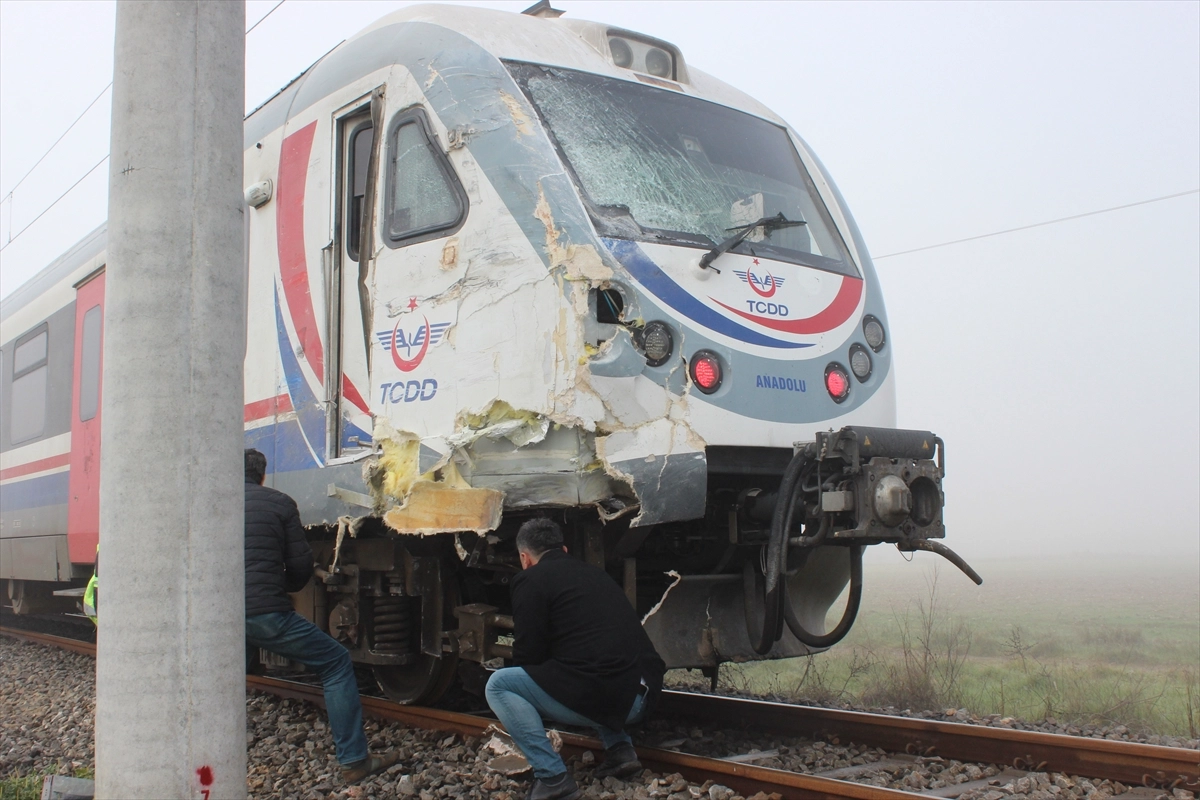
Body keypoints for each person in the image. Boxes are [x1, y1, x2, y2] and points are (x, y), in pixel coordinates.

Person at [243, 448, 398, 785]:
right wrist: (278, 584)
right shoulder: (279, 503)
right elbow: (299, 565)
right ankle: (355, 760)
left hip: (220, 616)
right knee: (335, 663)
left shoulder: (211, 503)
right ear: (262, 475)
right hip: (264, 613)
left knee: (223, 676)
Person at [486, 518, 666, 800]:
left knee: (498, 685)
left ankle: (551, 776)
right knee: (589, 662)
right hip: (645, 692)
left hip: (614, 700)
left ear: (525, 557)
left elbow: (527, 656)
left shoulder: (529, 580)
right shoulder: (595, 575)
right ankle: (620, 750)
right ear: (565, 550)